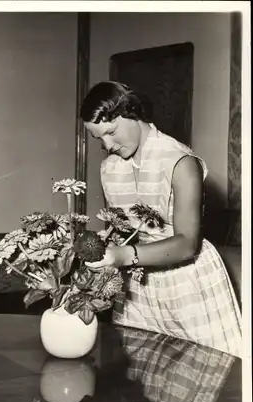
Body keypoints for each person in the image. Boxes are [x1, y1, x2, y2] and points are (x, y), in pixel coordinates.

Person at [80, 81, 241, 358]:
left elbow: (188, 244)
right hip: (138, 289)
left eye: (111, 132)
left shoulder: (180, 162)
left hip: (188, 282)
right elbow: (119, 232)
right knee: (143, 382)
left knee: (209, 377)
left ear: (131, 112)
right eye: (99, 139)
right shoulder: (109, 168)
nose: (108, 145)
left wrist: (122, 256)